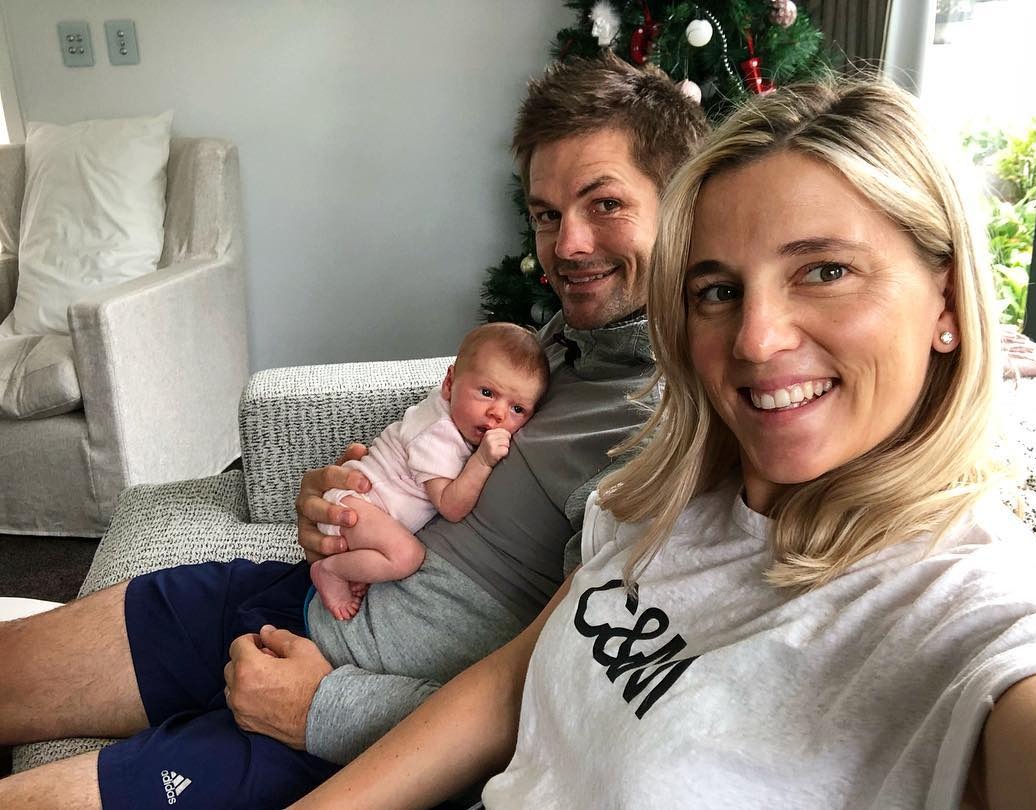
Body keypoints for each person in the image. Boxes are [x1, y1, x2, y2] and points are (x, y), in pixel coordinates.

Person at [290, 80, 1036, 809]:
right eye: (717, 291)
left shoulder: (978, 617)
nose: (758, 339)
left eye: (826, 271)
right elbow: (518, 682)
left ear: (946, 297)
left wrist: (330, 705)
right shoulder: (666, 490)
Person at [0, 53, 708, 808]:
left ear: (682, 206)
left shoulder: (670, 427)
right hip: (295, 595)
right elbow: (441, 444)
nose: (566, 246)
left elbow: (569, 700)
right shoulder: (569, 336)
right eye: (546, 213)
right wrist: (338, 494)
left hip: (353, 707)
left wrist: (326, 707)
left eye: (605, 205)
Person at [312, 323, 548, 620]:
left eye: (518, 410)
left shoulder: (456, 417)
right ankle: (330, 570)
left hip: (365, 510)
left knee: (396, 553)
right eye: (487, 392)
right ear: (449, 383)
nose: (498, 413)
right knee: (407, 557)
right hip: (356, 506)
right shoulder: (437, 433)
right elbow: (450, 506)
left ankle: (356, 565)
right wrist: (482, 462)